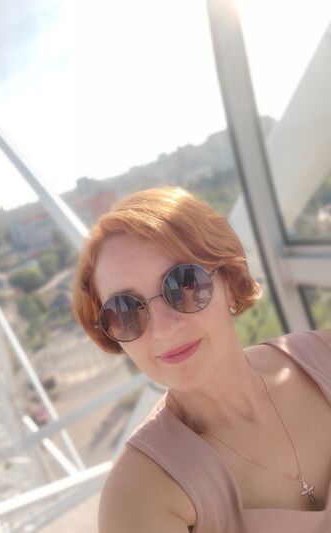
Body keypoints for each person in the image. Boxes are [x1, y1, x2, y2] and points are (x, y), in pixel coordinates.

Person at [72, 186, 331, 533]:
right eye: (126, 311)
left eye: (183, 284)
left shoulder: (324, 356)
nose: (163, 329)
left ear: (229, 279)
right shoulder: (139, 497)